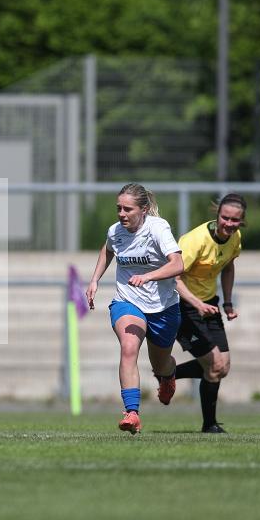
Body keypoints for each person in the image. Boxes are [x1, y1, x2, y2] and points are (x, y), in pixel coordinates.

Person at [85, 183, 184, 434]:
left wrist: (149, 276)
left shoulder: (158, 229)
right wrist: (95, 279)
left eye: (127, 209)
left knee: (160, 363)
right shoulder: (116, 231)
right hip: (127, 301)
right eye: (118, 208)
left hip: (163, 307)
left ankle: (167, 375)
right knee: (129, 348)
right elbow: (107, 250)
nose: (121, 214)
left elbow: (178, 264)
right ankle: (132, 413)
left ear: (144, 209)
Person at [173, 193, 246, 434]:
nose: (229, 224)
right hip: (182, 306)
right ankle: (209, 425)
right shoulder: (195, 241)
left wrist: (227, 302)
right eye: (225, 218)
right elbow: (173, 278)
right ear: (217, 215)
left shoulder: (234, 238)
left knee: (222, 366)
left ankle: (168, 374)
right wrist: (196, 303)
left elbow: (228, 267)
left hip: (209, 304)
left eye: (235, 220)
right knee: (213, 363)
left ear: (241, 221)